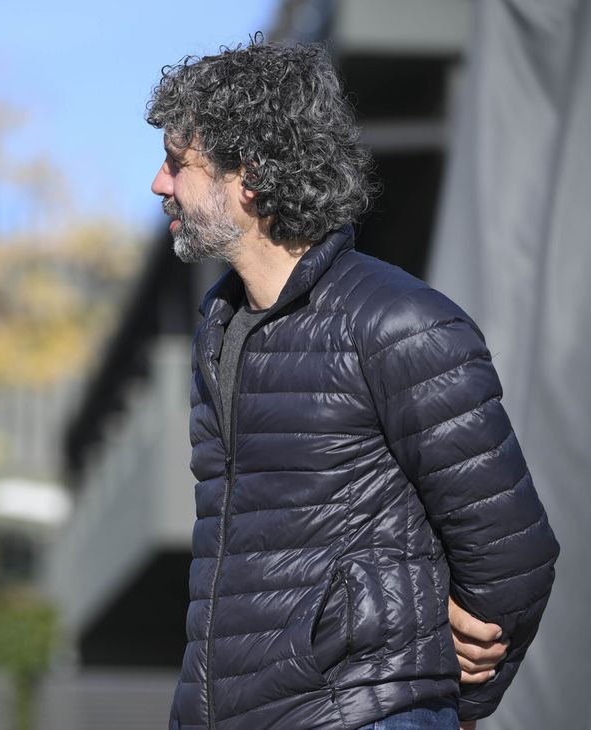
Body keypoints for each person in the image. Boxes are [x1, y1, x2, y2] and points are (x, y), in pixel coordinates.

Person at [146, 39, 558, 730]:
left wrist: (450, 703)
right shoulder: (218, 330)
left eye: (178, 165)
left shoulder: (400, 323)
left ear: (249, 177)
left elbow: (514, 551)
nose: (160, 184)